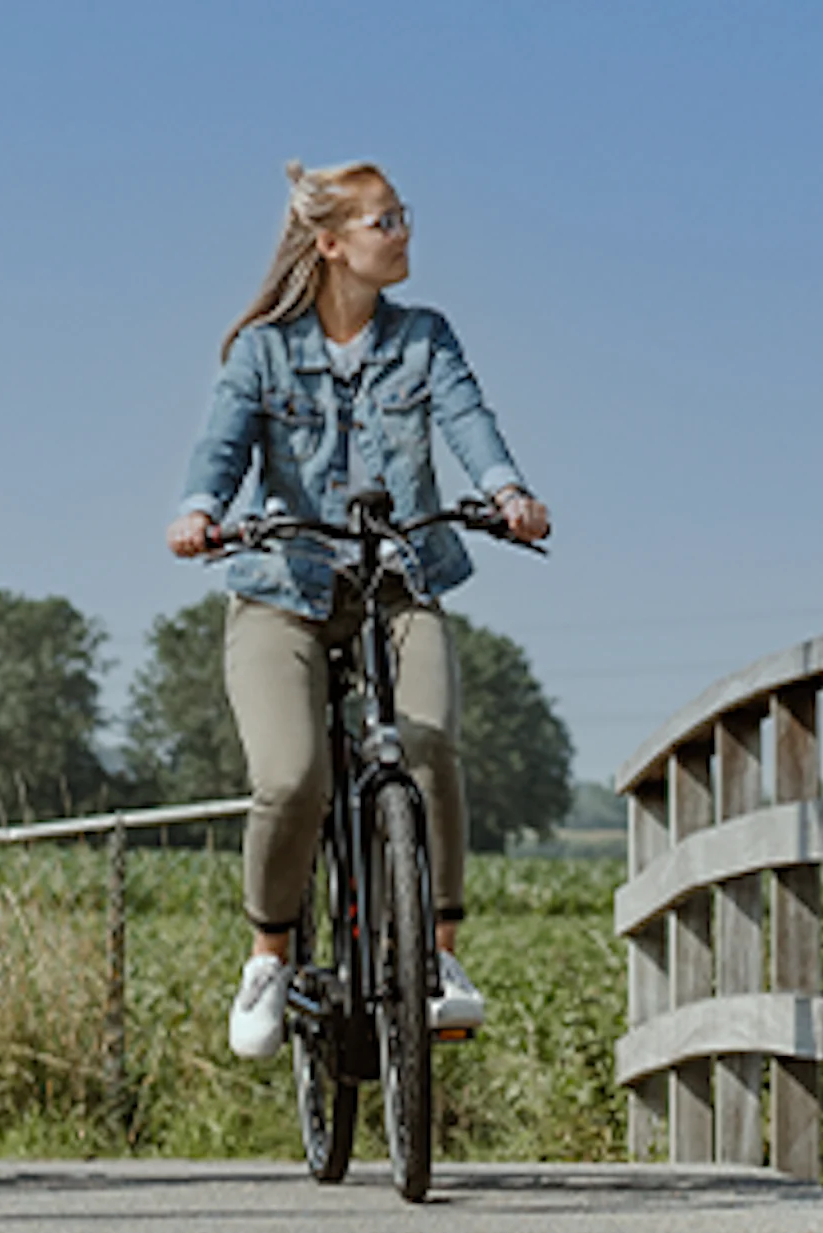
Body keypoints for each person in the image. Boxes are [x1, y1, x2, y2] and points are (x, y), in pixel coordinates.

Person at [166, 159, 551, 1060]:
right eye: (386, 221)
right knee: (292, 777)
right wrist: (199, 510)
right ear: (332, 244)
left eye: (402, 215)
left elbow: (469, 419)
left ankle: (438, 956)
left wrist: (508, 492)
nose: (403, 232)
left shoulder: (425, 339)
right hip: (284, 592)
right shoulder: (264, 351)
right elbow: (222, 445)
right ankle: (269, 957)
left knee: (428, 744)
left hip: (400, 580)